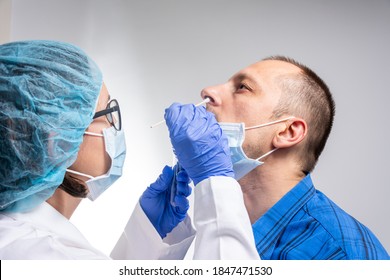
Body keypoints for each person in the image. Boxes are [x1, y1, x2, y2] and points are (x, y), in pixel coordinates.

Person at [0, 40, 259, 260]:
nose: (116, 128)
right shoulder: (45, 255)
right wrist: (215, 181)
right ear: (55, 141)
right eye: (108, 113)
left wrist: (147, 234)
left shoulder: (22, 241)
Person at [189, 56, 388, 260]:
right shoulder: (230, 229)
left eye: (242, 87)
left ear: (288, 132)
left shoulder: (337, 254)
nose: (208, 91)